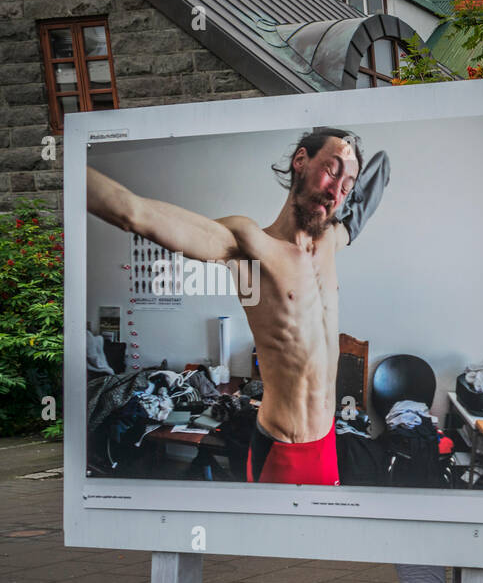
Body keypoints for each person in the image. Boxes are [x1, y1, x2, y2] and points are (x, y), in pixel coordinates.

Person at [87, 128, 389, 486]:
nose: (337, 190)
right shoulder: (250, 246)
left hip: (327, 444)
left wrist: (361, 168)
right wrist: (69, 166)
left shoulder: (331, 241)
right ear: (301, 161)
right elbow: (134, 214)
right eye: (332, 170)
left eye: (347, 183)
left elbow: (369, 195)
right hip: (281, 450)